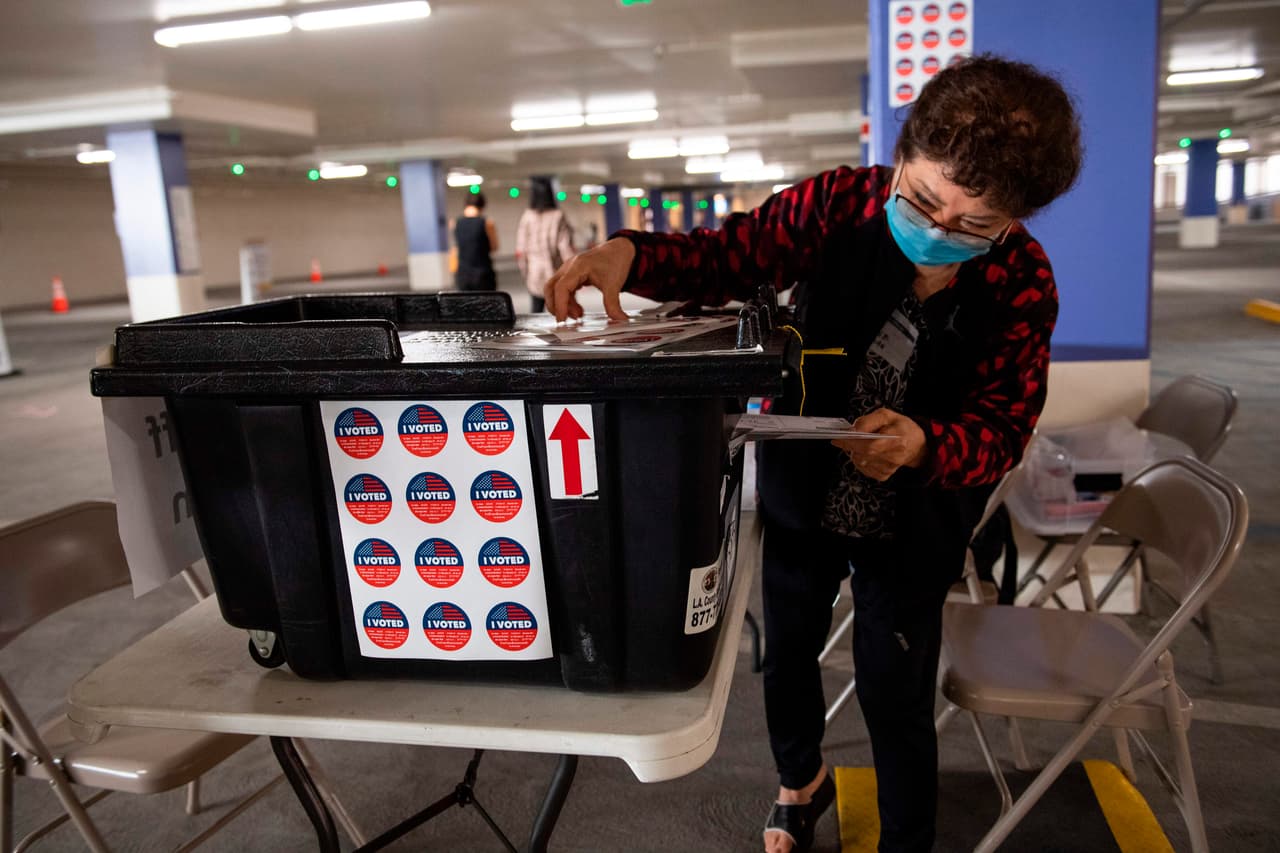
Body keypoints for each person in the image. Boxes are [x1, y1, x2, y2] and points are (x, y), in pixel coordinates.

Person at [543, 55, 1083, 853]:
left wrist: (928, 443)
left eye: (972, 225)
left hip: (915, 517)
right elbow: (731, 256)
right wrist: (635, 254)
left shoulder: (1022, 282)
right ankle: (802, 782)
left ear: (1014, 221)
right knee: (786, 650)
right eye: (924, 199)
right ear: (900, 156)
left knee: (894, 683)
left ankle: (908, 838)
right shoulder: (840, 204)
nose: (936, 232)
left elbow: (1005, 426)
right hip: (806, 489)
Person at [515, 176, 576, 313]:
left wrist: (525, 272)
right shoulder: (558, 215)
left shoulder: (527, 216)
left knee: (536, 312)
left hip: (534, 275)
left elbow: (521, 250)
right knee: (561, 313)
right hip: (555, 274)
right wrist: (574, 273)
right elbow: (565, 248)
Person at [450, 192, 499, 292]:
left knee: (466, 306)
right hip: (483, 273)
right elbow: (494, 247)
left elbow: (457, 248)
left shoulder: (454, 223)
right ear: (482, 205)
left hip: (463, 273)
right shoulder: (487, 223)